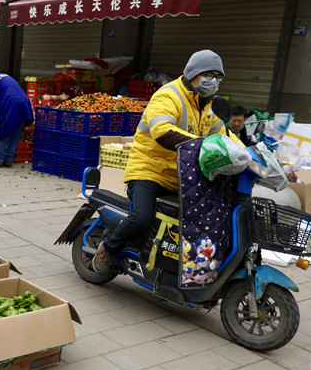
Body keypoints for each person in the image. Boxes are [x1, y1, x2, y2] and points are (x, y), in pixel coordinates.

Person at [93, 49, 235, 275]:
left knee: (205, 217)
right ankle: (108, 246)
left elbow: (226, 136)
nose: (213, 82)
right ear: (193, 73)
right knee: (142, 218)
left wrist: (250, 154)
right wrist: (202, 144)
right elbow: (162, 131)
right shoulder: (168, 95)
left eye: (218, 77)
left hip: (183, 176)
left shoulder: (210, 106)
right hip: (149, 170)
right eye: (209, 75)